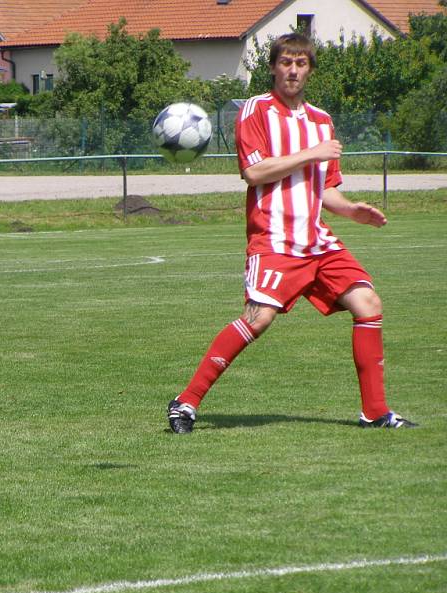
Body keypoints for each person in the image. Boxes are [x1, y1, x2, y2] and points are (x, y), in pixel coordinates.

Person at [167, 33, 417, 434]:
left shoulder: (322, 121)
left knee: (368, 303)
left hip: (317, 240)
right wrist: (310, 153)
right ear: (273, 67)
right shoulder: (255, 110)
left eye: (301, 64)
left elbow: (326, 190)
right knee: (258, 318)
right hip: (274, 240)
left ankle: (375, 411)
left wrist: (352, 210)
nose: (293, 70)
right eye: (286, 62)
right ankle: (186, 402)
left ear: (310, 70)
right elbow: (254, 172)